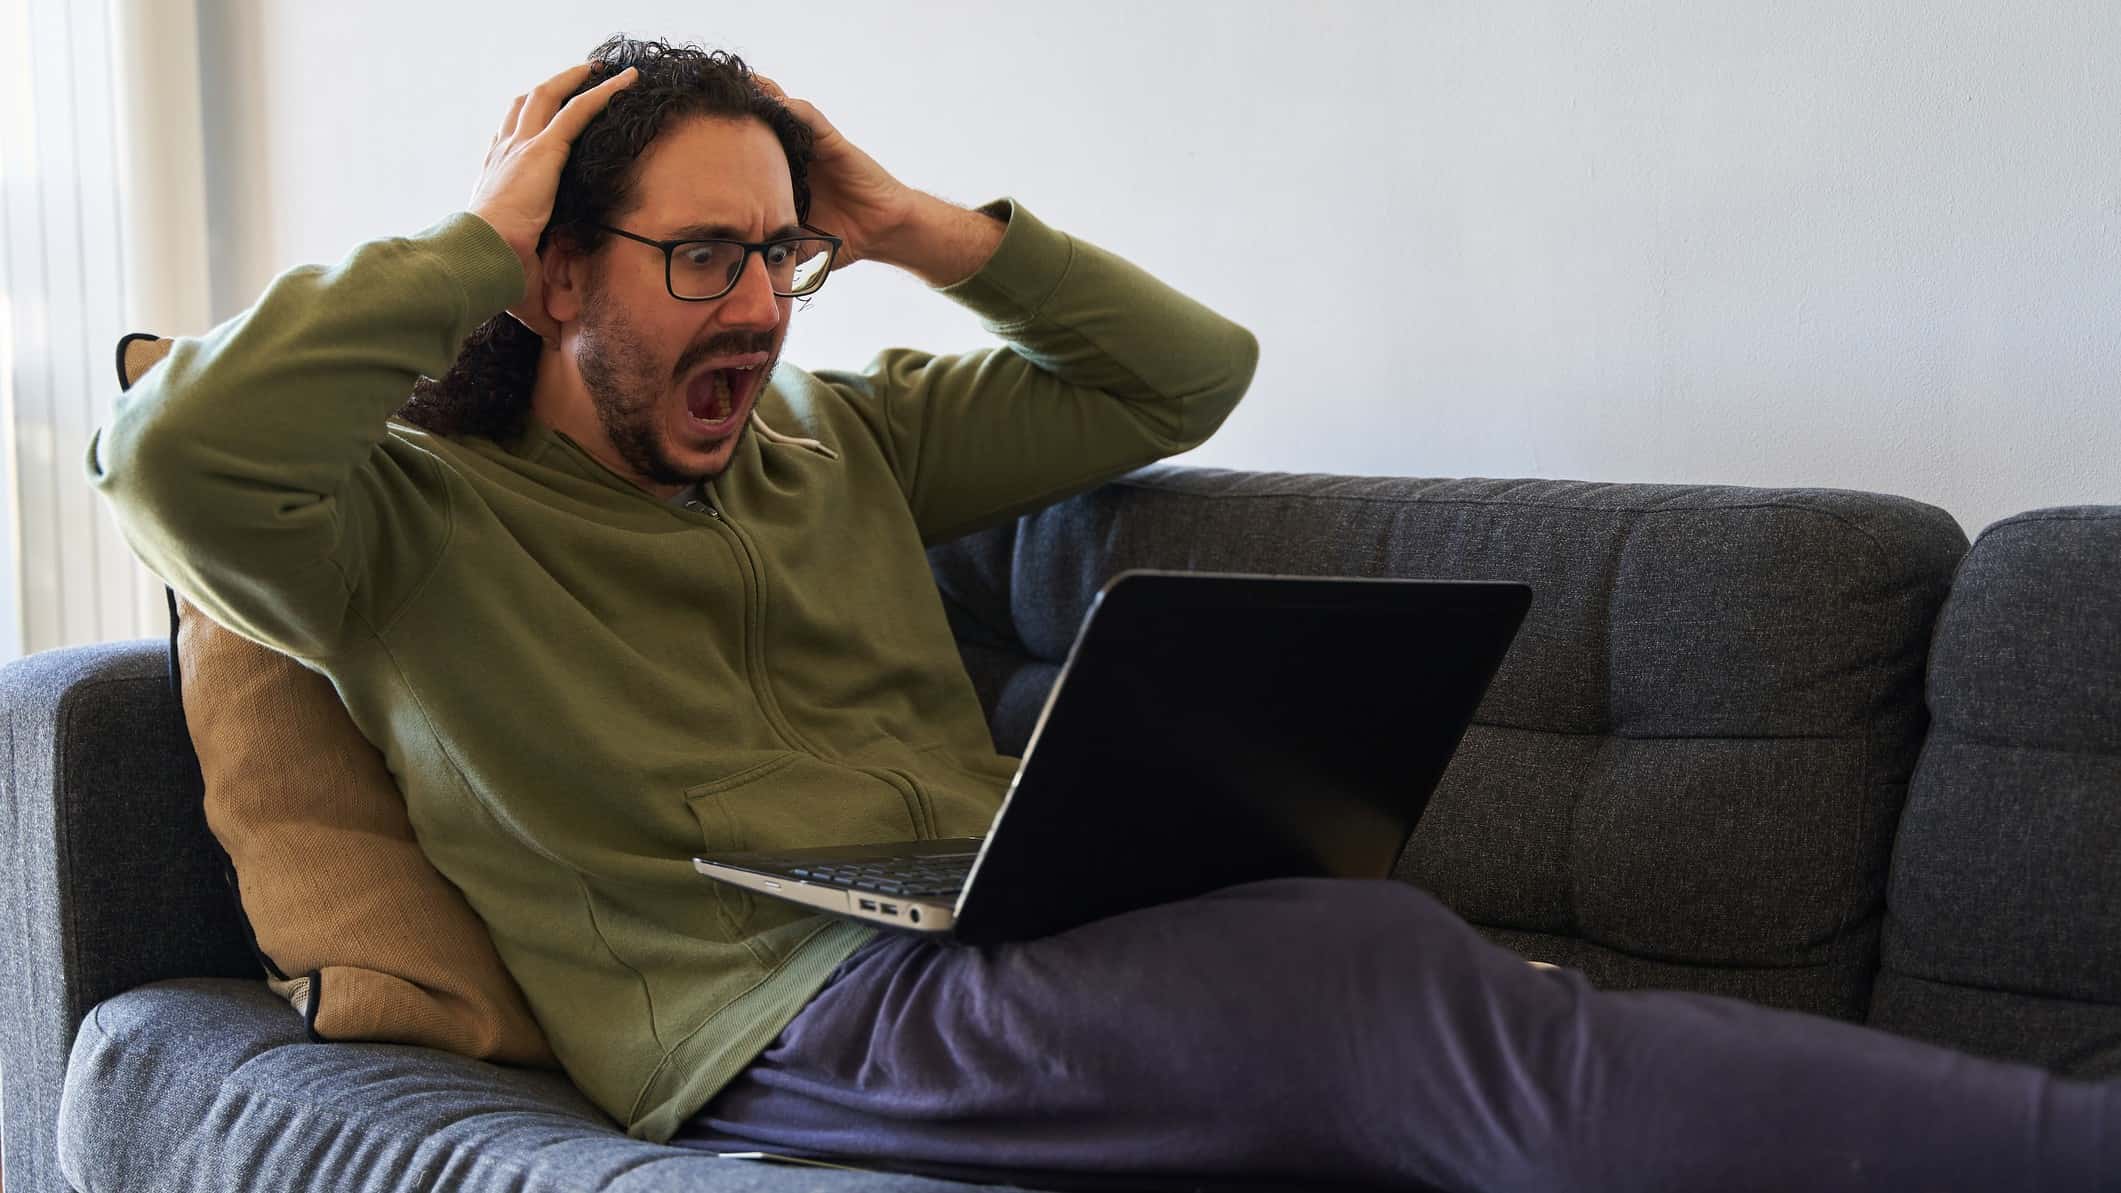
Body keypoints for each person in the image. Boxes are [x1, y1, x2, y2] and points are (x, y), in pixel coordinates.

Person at [91, 35, 2114, 1193]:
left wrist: (891, 221)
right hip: (781, 1014)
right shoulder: (400, 521)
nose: (759, 309)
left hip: (1009, 918)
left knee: (1390, 963)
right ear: (551, 274)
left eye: (782, 260)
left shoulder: (835, 441)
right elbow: (165, 466)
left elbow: (1178, 374)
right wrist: (484, 221)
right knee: (1396, 998)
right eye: (698, 258)